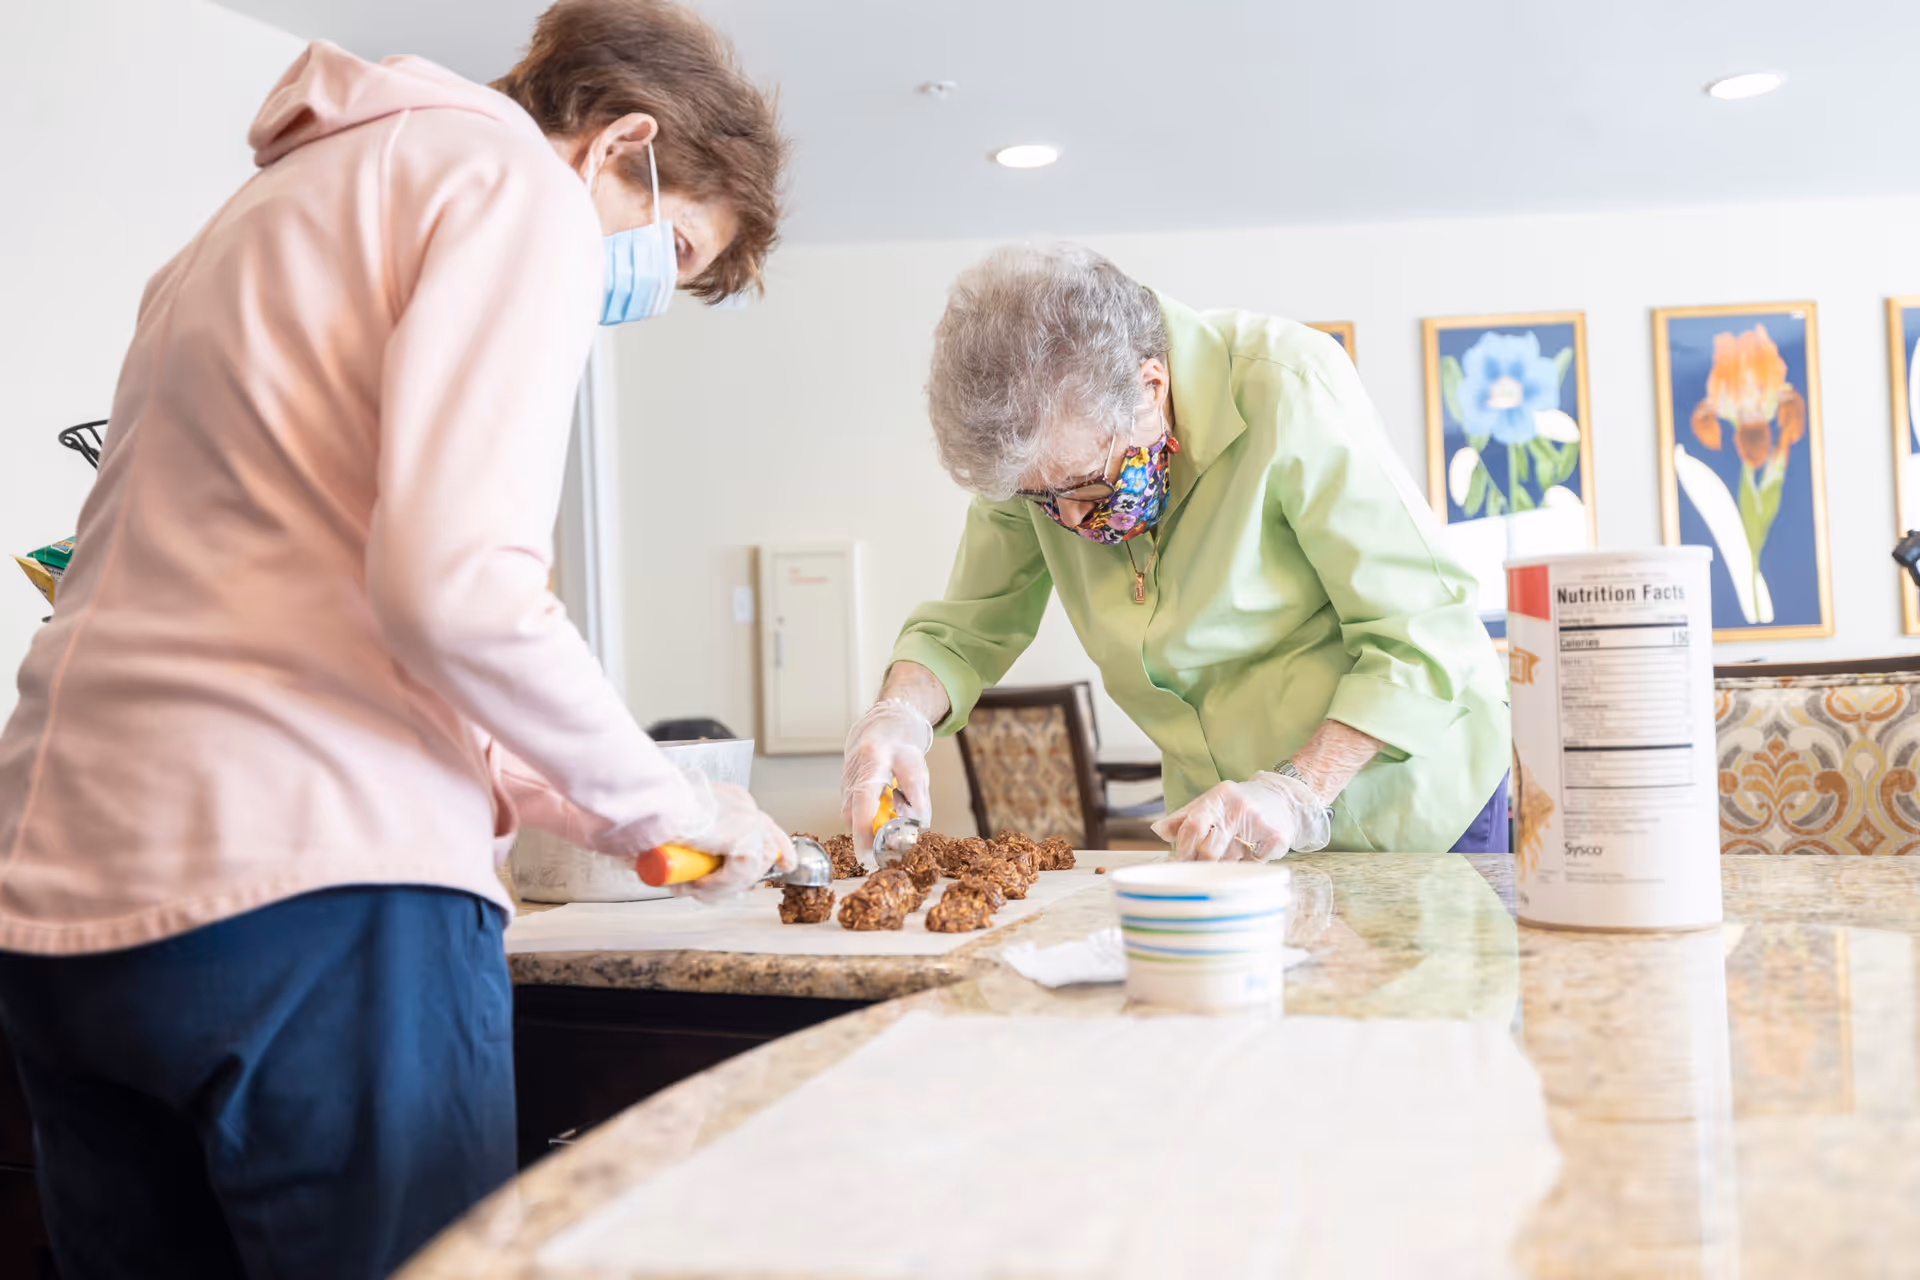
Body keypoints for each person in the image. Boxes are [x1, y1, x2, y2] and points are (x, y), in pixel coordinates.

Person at [0, 2, 789, 1276]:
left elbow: (322, 582)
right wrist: (658, 800)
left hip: (63, 899)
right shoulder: (510, 185)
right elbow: (455, 590)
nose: (641, 285)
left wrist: (647, 813)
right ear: (618, 145)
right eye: (674, 243)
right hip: (310, 902)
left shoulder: (249, 221)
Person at [843, 244, 1510, 862]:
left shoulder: (1288, 386)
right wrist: (897, 717)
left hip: (1414, 808)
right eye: (1039, 499)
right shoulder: (1042, 462)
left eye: (1087, 485)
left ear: (1152, 387)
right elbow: (963, 631)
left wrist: (1299, 790)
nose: (1070, 521)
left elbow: (1424, 634)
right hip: (1228, 828)